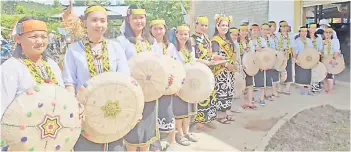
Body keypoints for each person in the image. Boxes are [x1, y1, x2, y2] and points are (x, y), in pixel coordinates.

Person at [62, 5, 129, 151]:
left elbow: (125, 80)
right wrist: (74, 106)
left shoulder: (115, 47)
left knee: (114, 146)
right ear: (84, 22)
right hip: (85, 112)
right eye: (94, 20)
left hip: (114, 108)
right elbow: (69, 82)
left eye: (103, 21)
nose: (99, 25)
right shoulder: (73, 50)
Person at [1, 16, 64, 118]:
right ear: (18, 39)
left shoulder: (52, 64)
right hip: (21, 129)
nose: (40, 41)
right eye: (34, 37)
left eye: (44, 37)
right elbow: (2, 107)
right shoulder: (10, 68)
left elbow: (63, 95)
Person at [116, 5, 159, 151]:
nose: (138, 21)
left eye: (141, 18)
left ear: (145, 19)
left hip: (150, 91)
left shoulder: (150, 41)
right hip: (132, 93)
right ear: (128, 20)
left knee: (147, 128)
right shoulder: (121, 42)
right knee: (133, 130)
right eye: (135, 18)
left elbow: (157, 64)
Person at [150, 19, 177, 150]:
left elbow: (175, 65)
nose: (158, 31)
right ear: (151, 30)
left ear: (165, 29)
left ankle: (171, 142)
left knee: (168, 111)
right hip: (154, 84)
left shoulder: (170, 47)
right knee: (155, 113)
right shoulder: (149, 46)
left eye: (160, 28)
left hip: (168, 83)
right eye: (155, 28)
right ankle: (156, 142)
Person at [172, 24, 198, 146]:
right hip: (178, 82)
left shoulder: (190, 49)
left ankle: (186, 132)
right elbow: (171, 65)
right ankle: (179, 134)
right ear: (176, 35)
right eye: (181, 34)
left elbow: (193, 63)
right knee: (179, 110)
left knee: (188, 109)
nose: (183, 36)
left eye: (186, 34)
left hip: (189, 82)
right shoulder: (172, 48)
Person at [191, 16, 217, 131]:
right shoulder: (192, 39)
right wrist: (204, 61)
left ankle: (208, 118)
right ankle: (199, 122)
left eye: (206, 25)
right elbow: (191, 58)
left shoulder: (206, 37)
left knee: (209, 93)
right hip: (198, 71)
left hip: (209, 69)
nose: (204, 27)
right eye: (201, 25)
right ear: (196, 25)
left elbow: (210, 54)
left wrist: (216, 58)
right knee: (200, 95)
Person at [211, 14, 236, 123]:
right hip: (220, 71)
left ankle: (227, 112)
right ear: (217, 26)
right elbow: (214, 56)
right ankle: (221, 116)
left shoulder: (229, 40)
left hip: (230, 72)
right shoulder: (215, 41)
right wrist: (226, 65)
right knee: (221, 92)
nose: (225, 27)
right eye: (222, 25)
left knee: (228, 92)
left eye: (226, 25)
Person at [276, 21, 296, 95]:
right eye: (282, 26)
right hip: (280, 55)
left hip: (288, 54)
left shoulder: (291, 35)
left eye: (285, 26)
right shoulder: (277, 35)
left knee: (289, 70)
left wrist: (294, 56)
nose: (284, 28)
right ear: (280, 27)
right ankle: (279, 87)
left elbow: (293, 46)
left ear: (288, 27)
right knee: (279, 70)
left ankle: (287, 88)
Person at [250, 24, 269, 106]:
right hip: (253, 63)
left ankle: (261, 98)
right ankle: (252, 98)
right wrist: (255, 49)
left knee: (262, 81)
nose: (255, 32)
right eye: (254, 30)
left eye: (257, 30)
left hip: (262, 63)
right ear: (251, 31)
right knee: (252, 83)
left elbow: (266, 50)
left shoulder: (262, 40)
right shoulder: (249, 40)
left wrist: (260, 49)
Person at [294, 26, 314, 96]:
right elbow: (295, 52)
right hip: (300, 59)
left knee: (308, 74)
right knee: (300, 75)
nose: (304, 33)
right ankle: (302, 90)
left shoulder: (309, 40)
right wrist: (296, 60)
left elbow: (312, 50)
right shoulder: (296, 41)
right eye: (302, 31)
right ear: (299, 32)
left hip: (308, 59)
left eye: (305, 31)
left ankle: (309, 90)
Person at [321, 28, 340, 94]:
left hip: (331, 58)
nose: (328, 34)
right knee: (323, 74)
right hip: (323, 59)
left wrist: (334, 58)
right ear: (324, 34)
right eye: (326, 32)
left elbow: (336, 51)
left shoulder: (334, 41)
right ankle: (326, 88)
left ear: (332, 34)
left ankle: (330, 90)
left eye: (329, 33)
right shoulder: (322, 41)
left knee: (330, 75)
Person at [261, 23, 277, 101]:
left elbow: (273, 49)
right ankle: (263, 94)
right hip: (261, 61)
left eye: (267, 29)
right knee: (262, 77)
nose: (265, 31)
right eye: (264, 29)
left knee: (269, 76)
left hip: (270, 60)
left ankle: (269, 94)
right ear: (261, 30)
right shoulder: (258, 39)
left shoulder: (270, 39)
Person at [307, 23, 323, 92]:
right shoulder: (306, 37)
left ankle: (315, 85)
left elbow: (320, 47)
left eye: (314, 28)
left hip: (316, 56)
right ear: (308, 28)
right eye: (312, 27)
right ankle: (308, 85)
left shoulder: (318, 37)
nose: (313, 29)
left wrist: (319, 53)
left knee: (316, 70)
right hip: (307, 56)